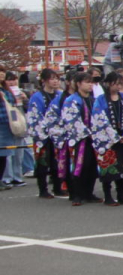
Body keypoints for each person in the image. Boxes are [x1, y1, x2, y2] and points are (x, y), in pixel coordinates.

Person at [91, 70, 123, 206]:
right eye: (115, 83)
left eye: (120, 84)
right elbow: (99, 119)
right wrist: (113, 136)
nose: (118, 86)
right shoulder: (100, 100)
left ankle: (121, 195)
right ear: (108, 84)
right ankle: (108, 196)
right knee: (108, 167)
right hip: (107, 139)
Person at [58, 70, 100, 205]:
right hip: (78, 139)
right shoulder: (71, 100)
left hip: (93, 139)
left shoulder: (93, 100)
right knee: (80, 166)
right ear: (78, 84)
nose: (90, 85)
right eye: (87, 82)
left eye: (91, 82)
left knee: (92, 167)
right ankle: (76, 194)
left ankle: (89, 193)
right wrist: (87, 132)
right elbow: (71, 120)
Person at [26, 69, 62, 199]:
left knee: (57, 162)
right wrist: (45, 130)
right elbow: (35, 116)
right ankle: (43, 189)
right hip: (42, 134)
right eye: (52, 78)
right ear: (44, 80)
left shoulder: (60, 94)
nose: (55, 81)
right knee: (42, 162)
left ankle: (58, 187)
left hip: (57, 134)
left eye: (56, 78)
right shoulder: (37, 96)